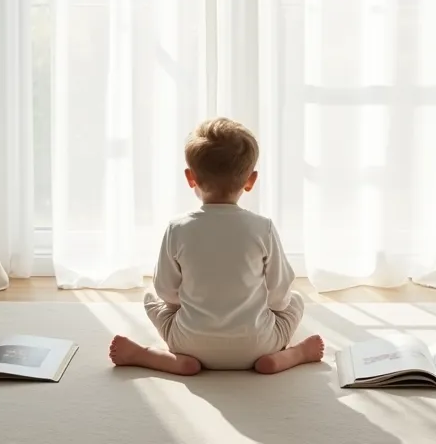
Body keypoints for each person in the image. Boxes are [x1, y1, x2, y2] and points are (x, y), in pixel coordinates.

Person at [109, 117, 325, 375]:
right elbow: (279, 295)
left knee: (149, 296)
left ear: (191, 178)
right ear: (251, 180)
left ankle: (173, 361)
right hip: (258, 346)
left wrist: (192, 307)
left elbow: (166, 291)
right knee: (297, 300)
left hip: (189, 344)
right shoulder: (262, 228)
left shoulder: (177, 228)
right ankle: (289, 356)